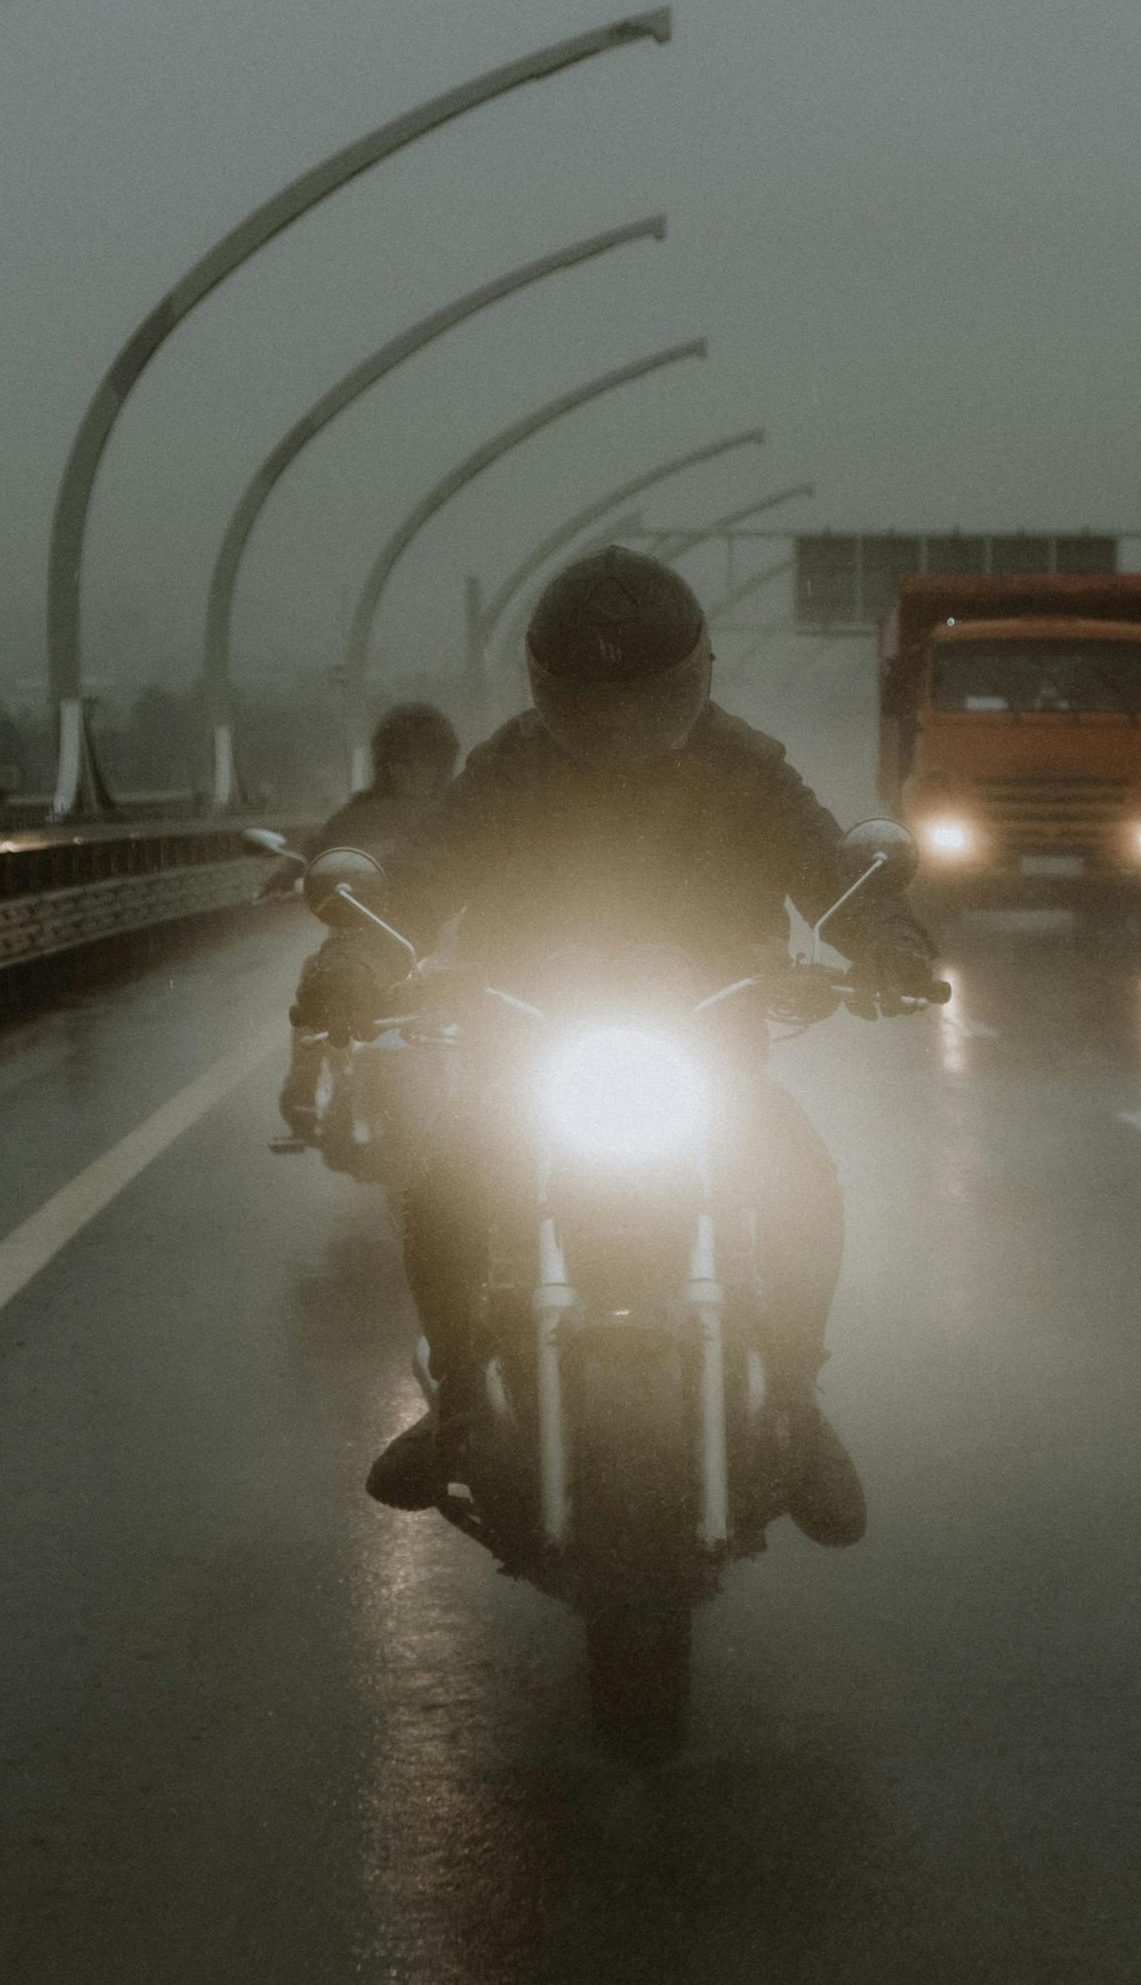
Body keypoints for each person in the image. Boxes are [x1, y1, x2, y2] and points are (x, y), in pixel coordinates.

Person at [296, 547, 943, 1549]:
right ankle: (459, 1400)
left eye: (642, 700)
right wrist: (355, 957)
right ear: (548, 689)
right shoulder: (507, 769)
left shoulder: (748, 770)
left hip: (706, 1052)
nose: (620, 727)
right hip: (533, 1048)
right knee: (448, 1182)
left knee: (801, 1179)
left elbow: (831, 872)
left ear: (693, 678)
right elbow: (420, 879)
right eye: (594, 705)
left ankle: (794, 1400)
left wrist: (890, 944)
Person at [278, 702, 460, 1137]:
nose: (415, 771)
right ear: (387, 764)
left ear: (443, 764)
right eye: (404, 760)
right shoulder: (357, 815)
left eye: (428, 760)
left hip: (447, 942)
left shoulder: (463, 810)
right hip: (363, 937)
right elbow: (315, 851)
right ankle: (302, 1089)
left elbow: (505, 854)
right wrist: (284, 875)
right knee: (317, 976)